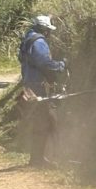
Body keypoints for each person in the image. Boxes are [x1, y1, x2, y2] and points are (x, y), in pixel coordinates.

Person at [18, 15, 66, 167]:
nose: (49, 33)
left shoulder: (28, 39)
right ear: (44, 29)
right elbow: (45, 64)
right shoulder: (38, 42)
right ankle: (40, 159)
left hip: (28, 84)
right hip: (37, 86)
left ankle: (38, 158)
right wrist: (62, 65)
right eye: (48, 30)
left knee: (41, 121)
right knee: (46, 121)